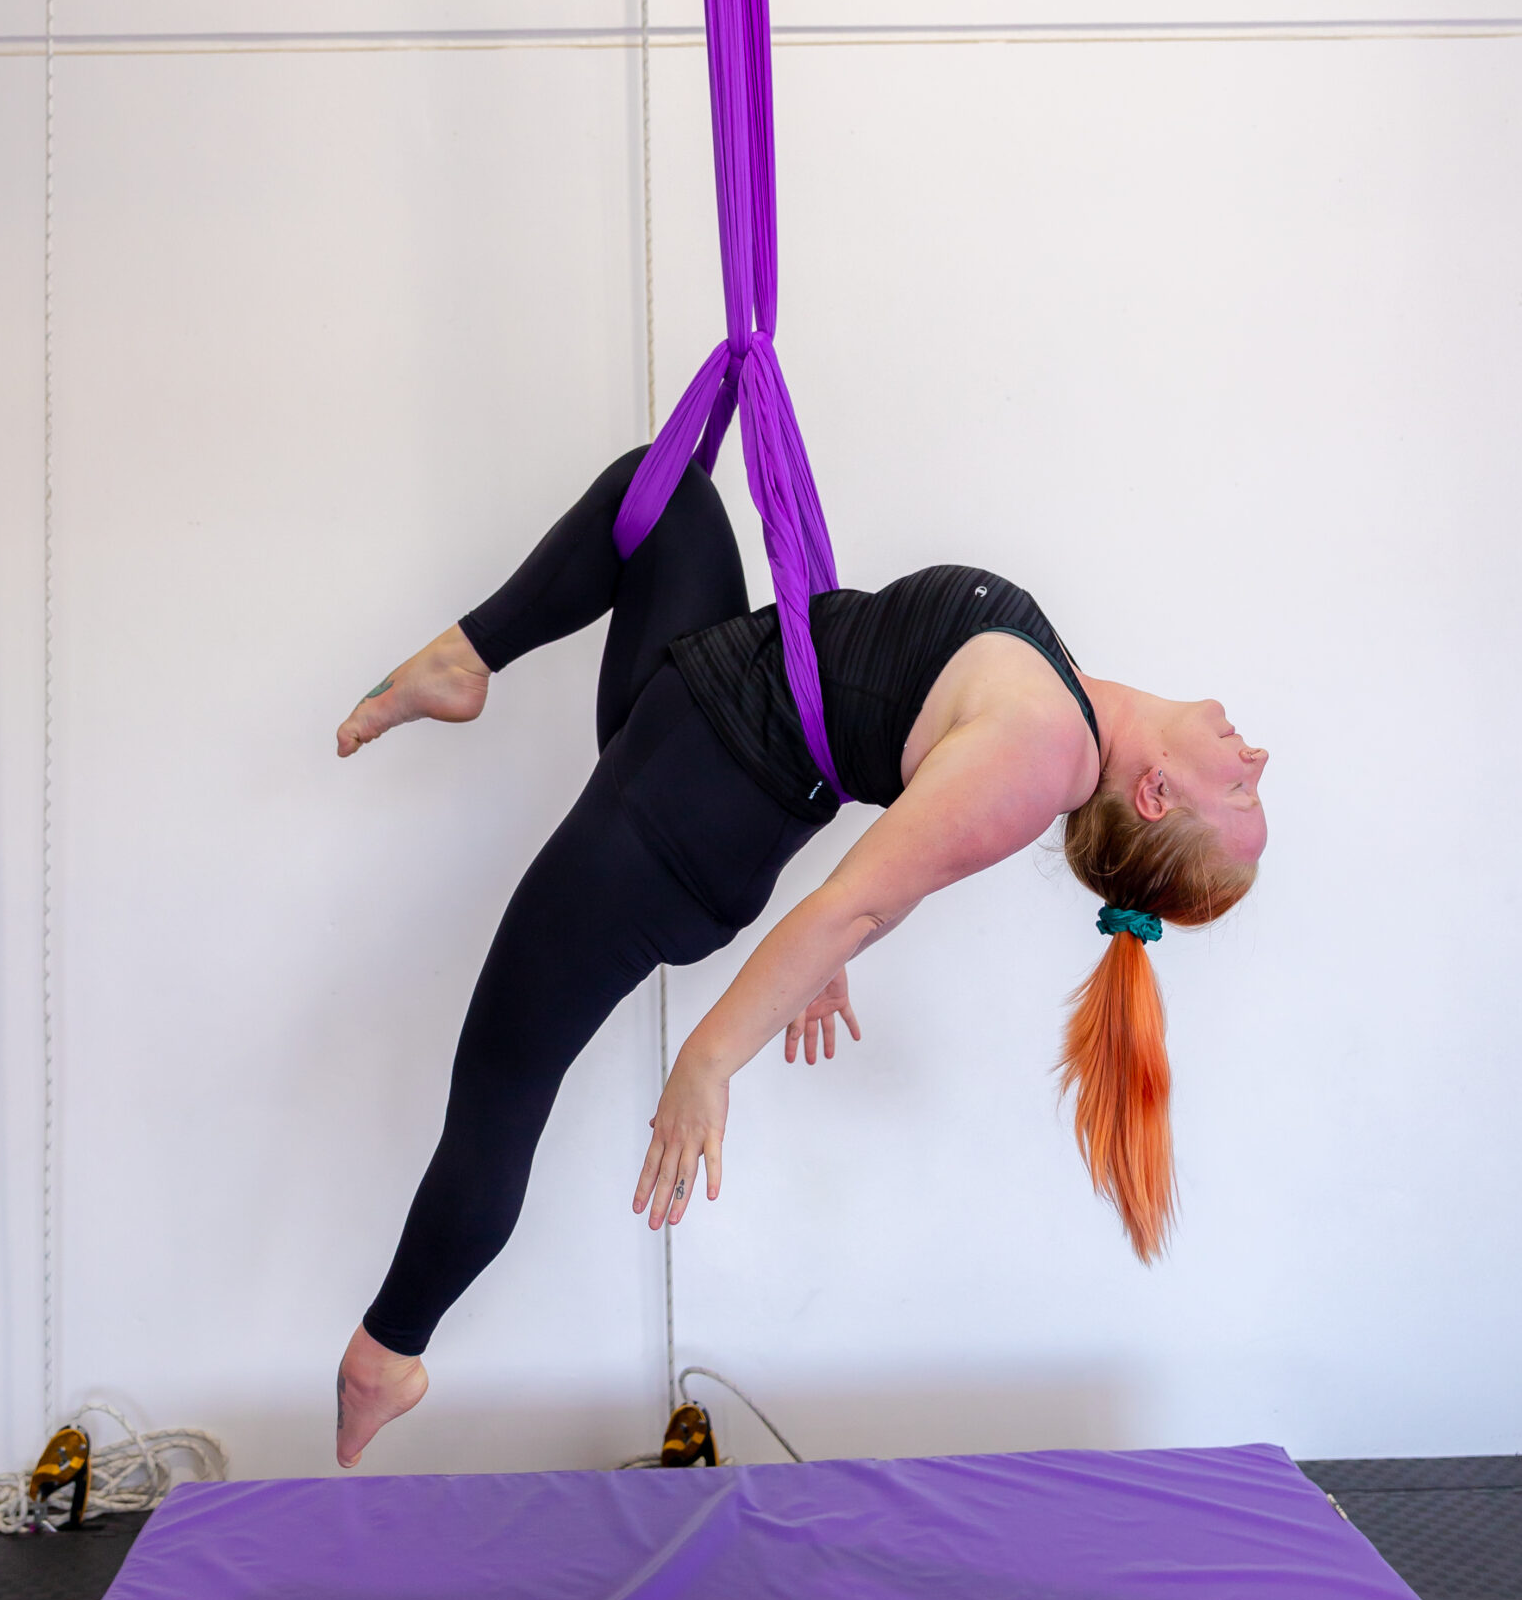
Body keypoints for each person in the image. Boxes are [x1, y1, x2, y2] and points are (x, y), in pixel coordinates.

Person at [331, 449, 1266, 1466]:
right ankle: (464, 658)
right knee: (661, 496)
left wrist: (708, 1060)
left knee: (503, 1081)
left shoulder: (1045, 752)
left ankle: (385, 1353)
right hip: (700, 696)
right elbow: (895, 827)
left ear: (1158, 796)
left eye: (1243, 796)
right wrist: (826, 954)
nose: (1254, 759)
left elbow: (857, 902)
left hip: (675, 827)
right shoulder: (1060, 703)